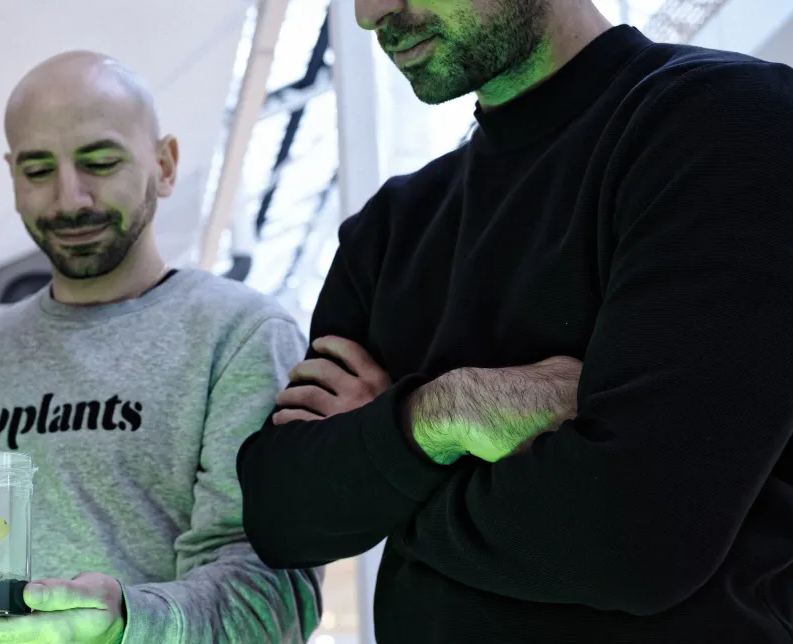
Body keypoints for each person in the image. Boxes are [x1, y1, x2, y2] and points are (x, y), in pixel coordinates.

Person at [235, 0, 793, 641]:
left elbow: (636, 535)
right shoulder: (392, 226)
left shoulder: (728, 123)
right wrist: (434, 415)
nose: (370, 13)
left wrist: (385, 470)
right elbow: (282, 516)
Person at [0, 51, 323, 644]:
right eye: (37, 170)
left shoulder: (241, 334)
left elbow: (276, 594)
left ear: (164, 166)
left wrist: (128, 620)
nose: (70, 200)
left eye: (100, 162)